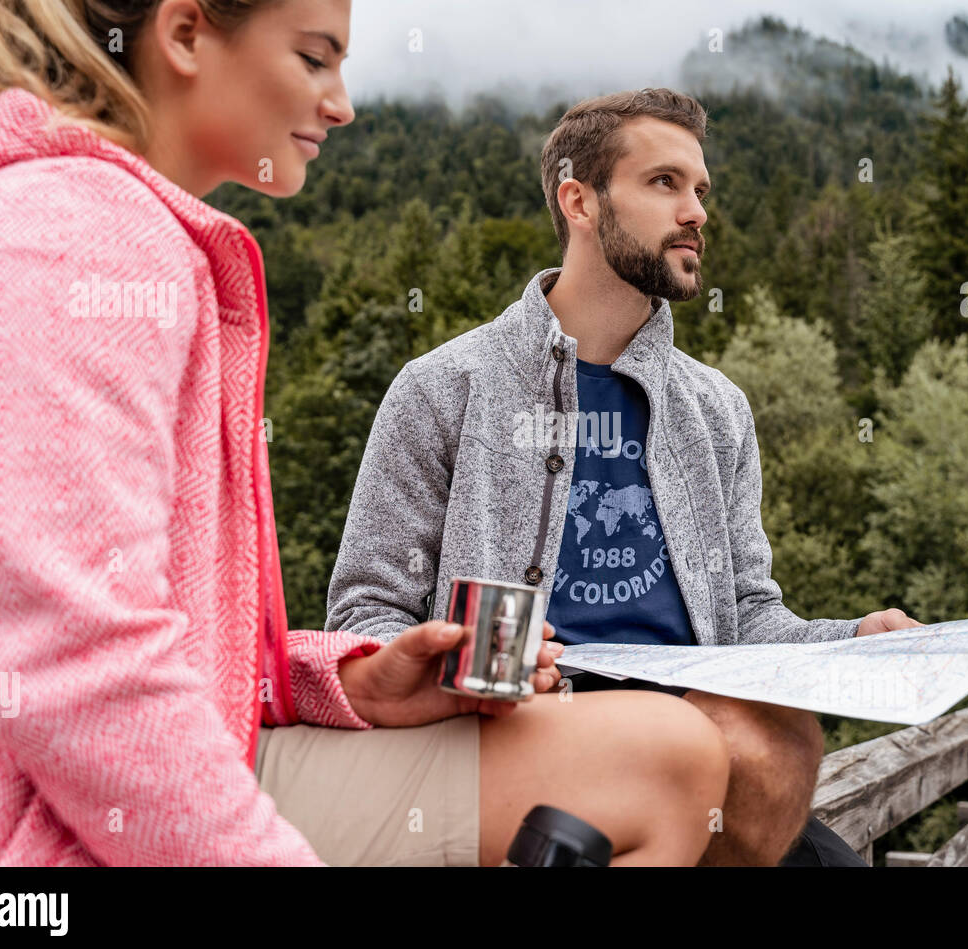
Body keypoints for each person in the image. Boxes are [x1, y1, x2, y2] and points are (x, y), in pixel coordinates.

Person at [0, 0, 731, 866]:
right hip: (21, 831)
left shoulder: (83, 222)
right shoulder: (69, 237)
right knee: (670, 763)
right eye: (314, 58)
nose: (342, 103)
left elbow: (172, 641)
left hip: (139, 763)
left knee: (671, 756)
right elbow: (76, 675)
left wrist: (346, 680)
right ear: (186, 34)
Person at [325, 88, 924, 866]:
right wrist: (459, 667)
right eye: (664, 183)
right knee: (756, 742)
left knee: (777, 737)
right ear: (579, 199)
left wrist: (851, 642)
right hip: (517, 736)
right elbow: (363, 615)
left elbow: (746, 616)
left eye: (701, 190)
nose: (697, 212)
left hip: (707, 748)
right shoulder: (444, 388)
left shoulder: (717, 410)